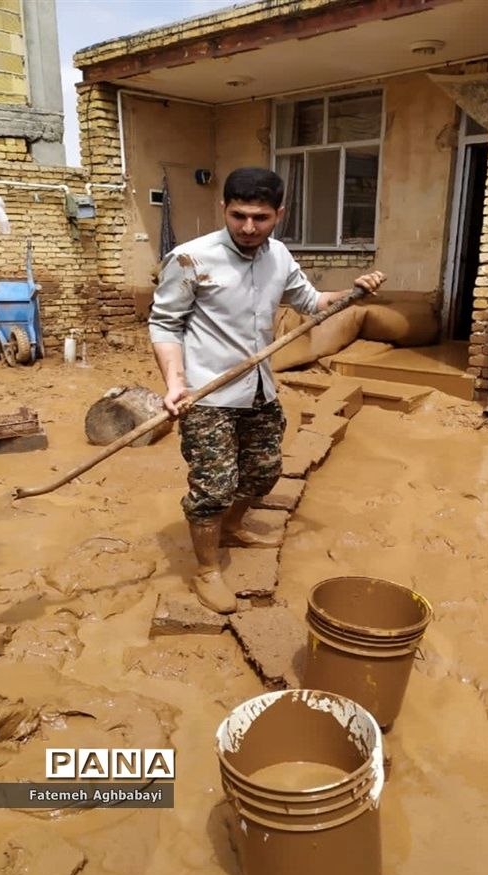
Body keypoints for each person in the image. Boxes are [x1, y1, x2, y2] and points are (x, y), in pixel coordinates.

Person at [149, 167, 385, 614]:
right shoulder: (189, 258)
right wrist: (175, 383)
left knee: (263, 473)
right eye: (238, 216)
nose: (248, 228)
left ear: (280, 214)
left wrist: (351, 293)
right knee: (213, 487)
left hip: (259, 391)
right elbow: (164, 323)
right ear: (224, 209)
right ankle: (206, 569)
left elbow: (310, 302)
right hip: (206, 395)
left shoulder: (279, 257)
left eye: (260, 217)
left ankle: (232, 527)